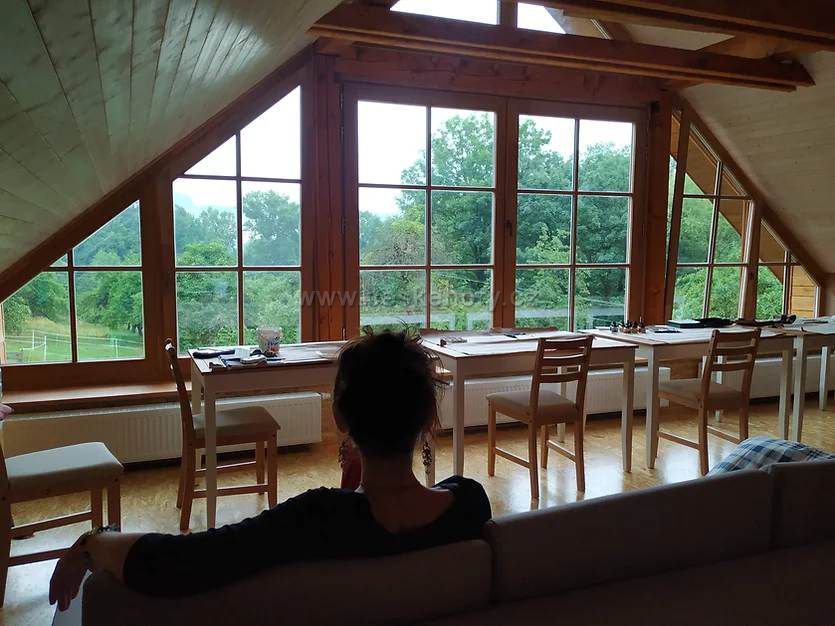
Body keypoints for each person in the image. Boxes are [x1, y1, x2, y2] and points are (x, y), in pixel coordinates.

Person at [50, 331, 492, 611]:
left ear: (339, 416)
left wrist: (93, 541)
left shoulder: (315, 520)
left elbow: (178, 564)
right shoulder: (470, 504)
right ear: (428, 418)